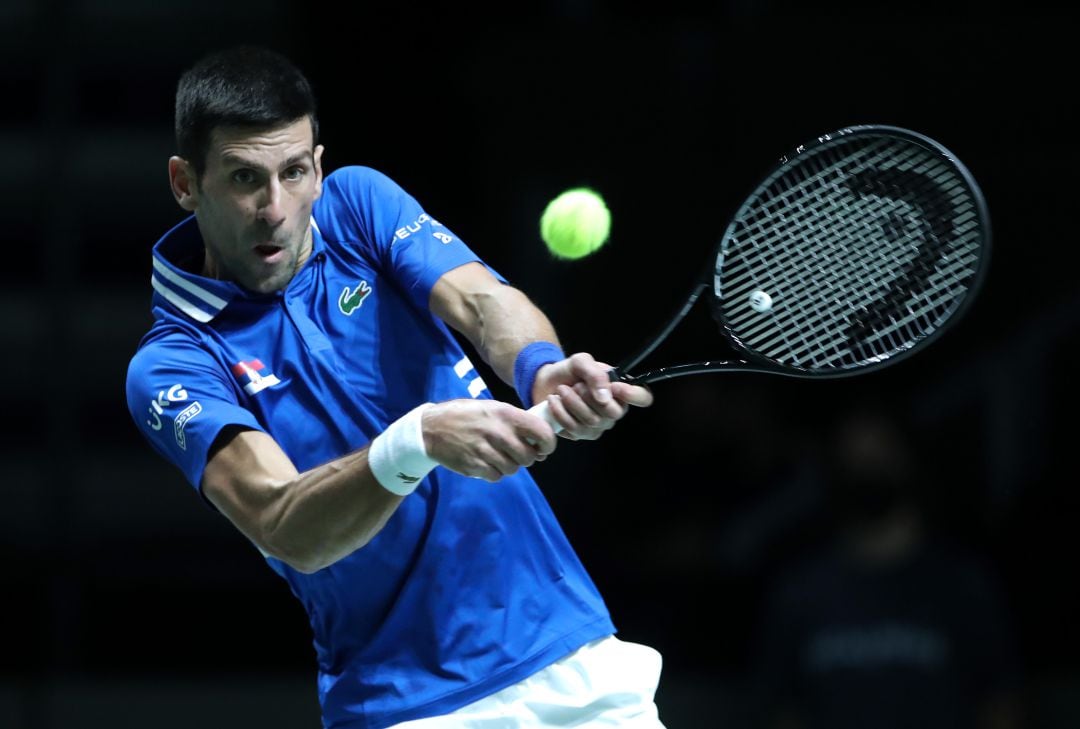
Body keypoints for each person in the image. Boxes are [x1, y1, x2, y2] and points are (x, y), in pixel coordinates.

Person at [124, 46, 663, 729]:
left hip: (569, 657)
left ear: (318, 166)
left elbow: (478, 301)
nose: (274, 208)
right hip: (403, 707)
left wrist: (540, 368)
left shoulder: (356, 206)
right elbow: (285, 523)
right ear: (184, 182)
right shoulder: (174, 364)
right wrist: (419, 438)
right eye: (243, 178)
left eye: (294, 173)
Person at [750, 404, 1023, 729]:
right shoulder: (798, 593)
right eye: (854, 456)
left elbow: (1000, 704)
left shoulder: (963, 585)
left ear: (908, 458)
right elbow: (782, 710)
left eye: (879, 452)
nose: (866, 464)